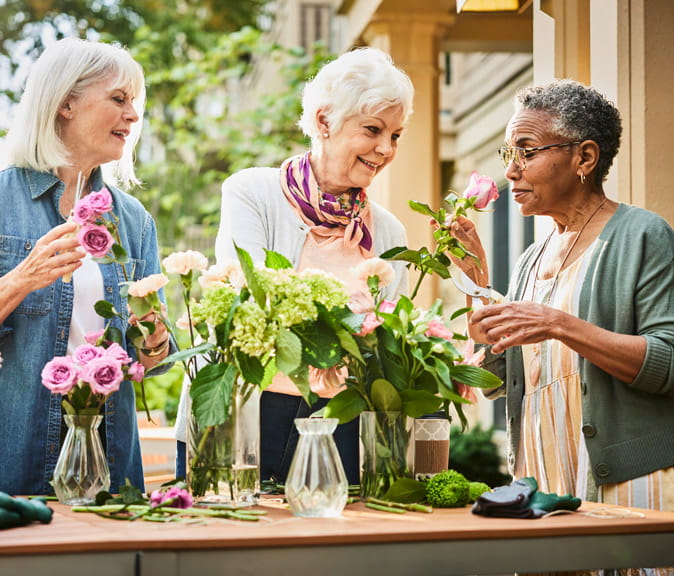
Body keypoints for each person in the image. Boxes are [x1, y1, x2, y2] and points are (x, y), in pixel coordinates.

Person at [175, 47, 413, 484]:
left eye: (396, 135)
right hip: (248, 411)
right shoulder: (253, 193)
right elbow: (247, 303)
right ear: (324, 122)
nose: (385, 149)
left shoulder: (390, 233)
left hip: (342, 419)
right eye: (373, 129)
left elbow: (383, 344)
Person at [450, 79, 674, 525]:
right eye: (508, 155)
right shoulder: (530, 259)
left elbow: (668, 363)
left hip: (626, 485)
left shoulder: (643, 235)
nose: (512, 171)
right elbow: (500, 382)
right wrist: (480, 290)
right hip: (541, 485)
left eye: (527, 151)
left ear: (584, 158)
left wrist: (559, 324)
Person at [0, 38, 173, 496]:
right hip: (15, 457)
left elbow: (153, 362)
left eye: (134, 102)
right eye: (118, 99)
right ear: (66, 104)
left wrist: (153, 335)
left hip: (111, 462)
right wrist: (22, 277)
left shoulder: (134, 219)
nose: (133, 116)